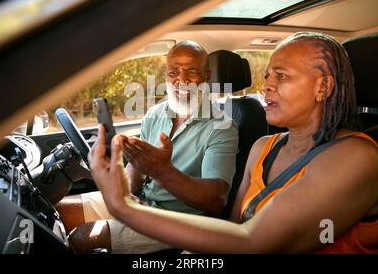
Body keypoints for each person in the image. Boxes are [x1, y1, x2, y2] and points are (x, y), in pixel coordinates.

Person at [90, 32, 378, 253]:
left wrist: (122, 206)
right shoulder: (263, 147)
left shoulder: (357, 157)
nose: (266, 85)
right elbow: (232, 225)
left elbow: (253, 242)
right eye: (267, 76)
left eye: (282, 76)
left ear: (323, 86)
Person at [57, 40, 239, 253]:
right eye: (173, 72)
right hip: (142, 203)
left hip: (180, 223)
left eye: (192, 72)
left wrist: (162, 171)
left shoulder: (222, 127)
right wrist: (127, 190)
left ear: (207, 76)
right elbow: (136, 169)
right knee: (60, 212)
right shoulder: (155, 114)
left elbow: (215, 199)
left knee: (82, 238)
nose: (181, 81)